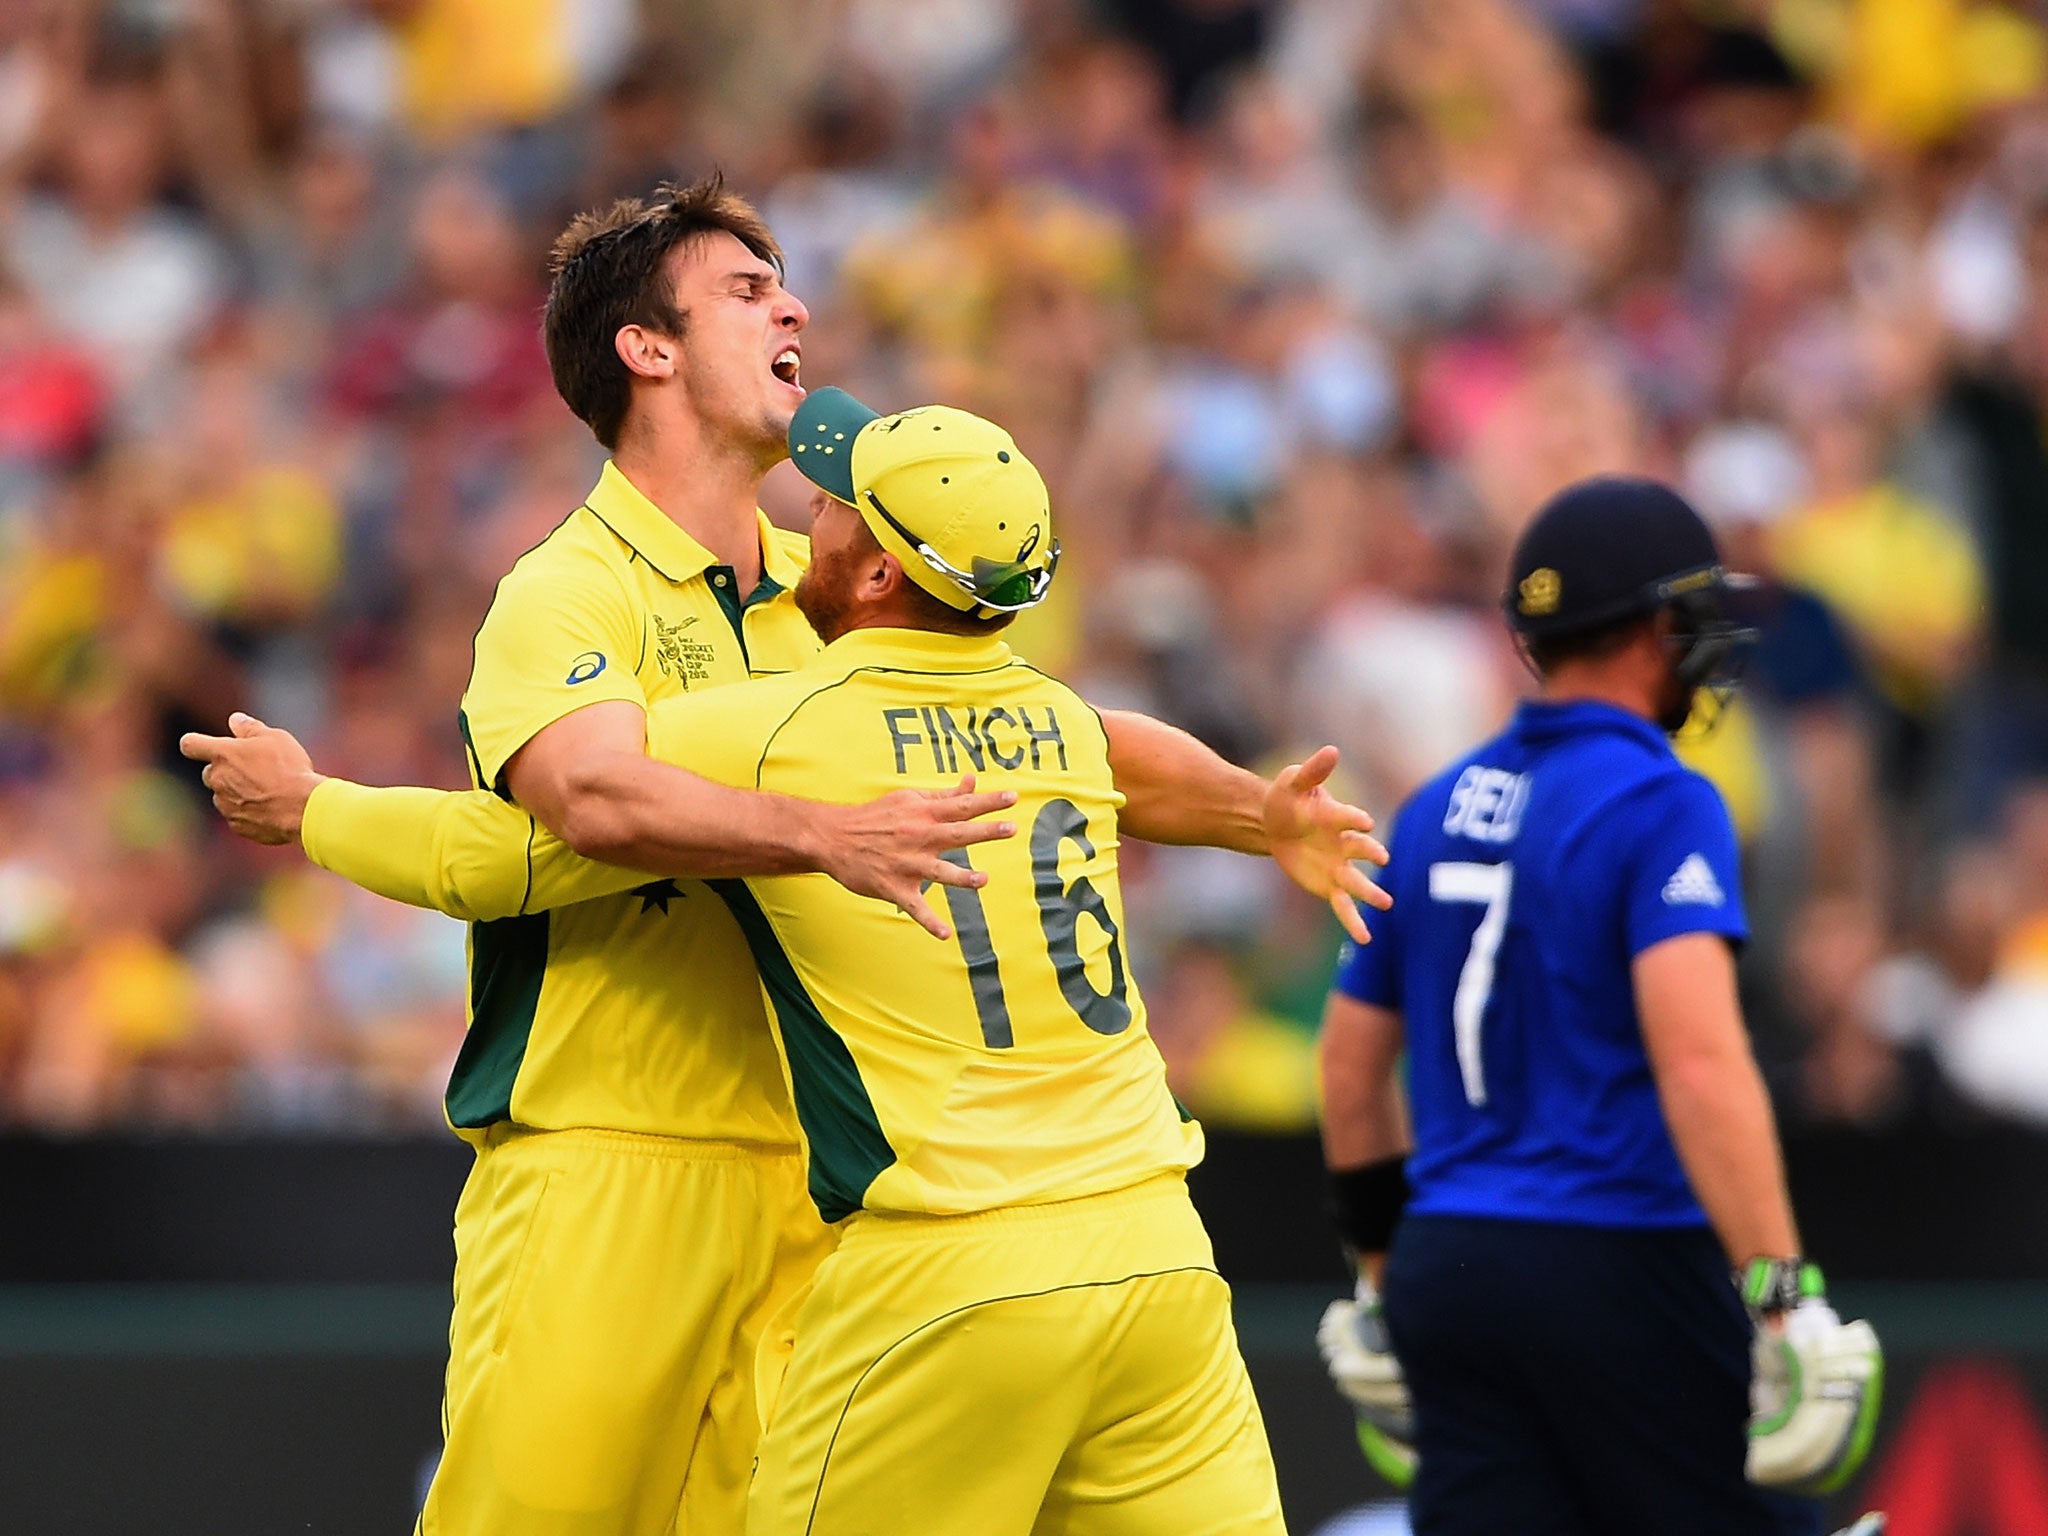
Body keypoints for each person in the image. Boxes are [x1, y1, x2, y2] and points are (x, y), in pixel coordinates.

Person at [182, 178, 1383, 1536]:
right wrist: (817, 833)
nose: (796, 306)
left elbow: (1051, 736)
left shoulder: (836, 582)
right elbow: (573, 813)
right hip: (612, 1164)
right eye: (748, 291)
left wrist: (1248, 810)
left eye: (785, 284)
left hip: (826, 1188)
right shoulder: (567, 591)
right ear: (649, 349)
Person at [1313, 477, 1883, 1536]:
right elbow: (1700, 1063)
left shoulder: (1434, 804)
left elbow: (1347, 1066)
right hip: (1619, 1262)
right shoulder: (1660, 800)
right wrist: (1779, 1293)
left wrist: (1387, 1280)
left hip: (1449, 1268)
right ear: (1657, 625)